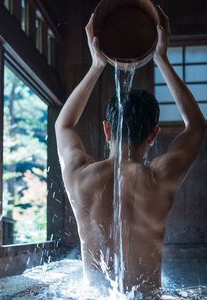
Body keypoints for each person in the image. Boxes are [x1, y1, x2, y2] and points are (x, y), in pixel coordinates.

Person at [55, 9, 206, 298]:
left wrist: (96, 65)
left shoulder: (79, 177)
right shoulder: (160, 180)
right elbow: (197, 126)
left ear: (107, 129)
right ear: (154, 135)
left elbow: (64, 124)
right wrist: (161, 59)